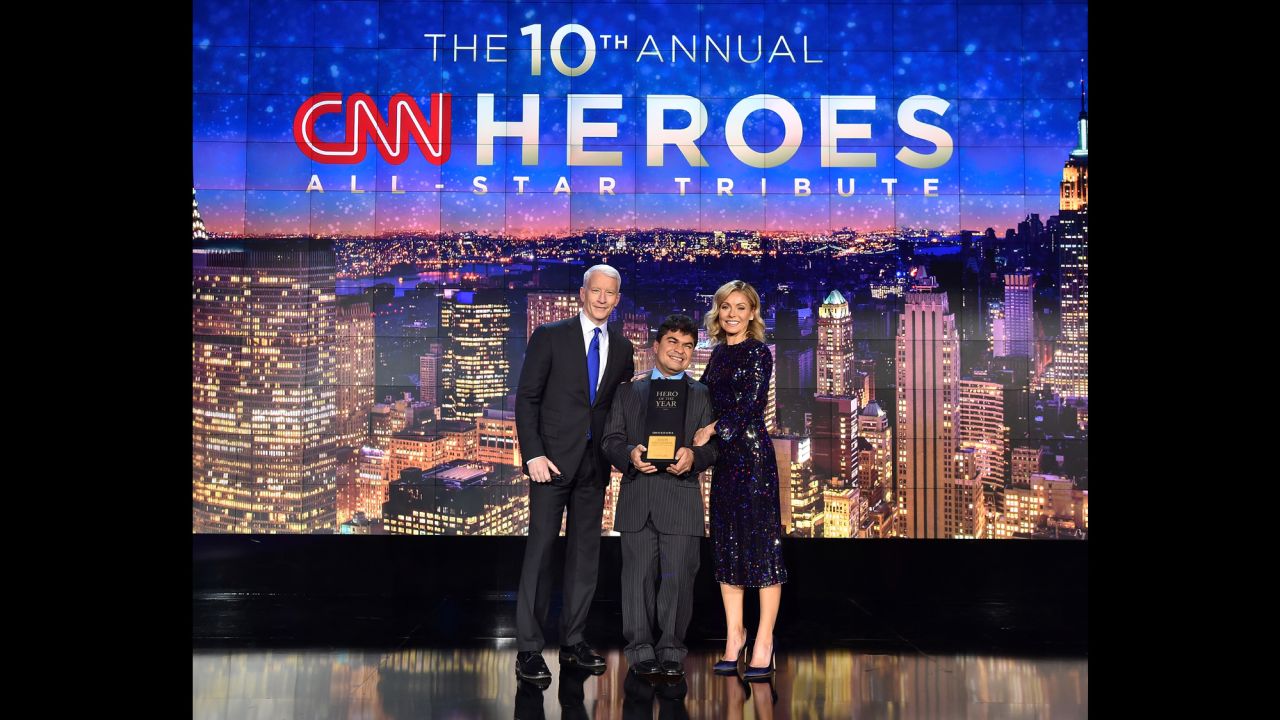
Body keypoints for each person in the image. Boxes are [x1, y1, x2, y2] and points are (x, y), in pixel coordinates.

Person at [514, 265, 635, 683]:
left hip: (594, 466)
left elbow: (619, 408)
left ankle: (573, 641)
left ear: (617, 299)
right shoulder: (550, 336)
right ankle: (529, 649)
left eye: (610, 293)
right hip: (550, 463)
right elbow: (526, 400)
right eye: (595, 291)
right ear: (582, 294)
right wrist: (533, 455)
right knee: (541, 553)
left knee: (586, 556)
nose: (602, 299)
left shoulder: (622, 348)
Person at [601, 315, 718, 680]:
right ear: (656, 346)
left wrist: (695, 457)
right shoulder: (628, 392)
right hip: (638, 497)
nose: (679, 350)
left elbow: (715, 447)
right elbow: (610, 441)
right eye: (672, 342)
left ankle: (671, 649)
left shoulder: (703, 394)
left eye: (687, 345)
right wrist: (631, 454)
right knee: (635, 580)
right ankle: (639, 650)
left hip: (681, 499)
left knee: (680, 578)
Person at [693, 280, 788, 681]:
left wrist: (714, 428)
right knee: (728, 546)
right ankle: (735, 636)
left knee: (761, 549)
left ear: (753, 313)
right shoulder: (717, 353)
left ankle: (764, 640)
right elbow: (701, 395)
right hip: (726, 462)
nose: (731, 314)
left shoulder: (757, 353)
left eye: (740, 307)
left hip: (752, 457)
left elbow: (752, 404)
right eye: (725, 307)